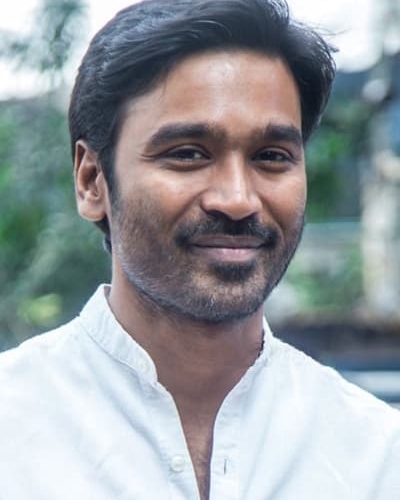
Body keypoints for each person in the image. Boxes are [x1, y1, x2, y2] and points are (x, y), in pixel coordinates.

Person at [1, 0, 399, 498]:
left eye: (271, 157)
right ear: (91, 180)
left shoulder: (376, 457)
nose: (237, 199)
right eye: (188, 154)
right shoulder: (13, 431)